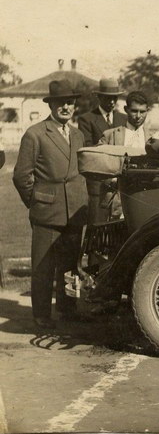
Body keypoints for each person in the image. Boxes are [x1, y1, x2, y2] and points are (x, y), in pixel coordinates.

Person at [13, 81, 87, 328]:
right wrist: (36, 201)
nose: (66, 107)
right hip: (47, 211)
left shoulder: (78, 135)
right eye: (60, 103)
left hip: (74, 211)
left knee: (70, 265)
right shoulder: (35, 133)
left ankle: (68, 309)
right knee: (44, 265)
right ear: (51, 105)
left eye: (70, 103)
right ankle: (42, 314)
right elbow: (21, 176)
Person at [78, 78, 127, 225]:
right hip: (98, 184)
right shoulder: (87, 119)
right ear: (99, 97)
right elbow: (89, 149)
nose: (112, 102)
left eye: (114, 98)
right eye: (107, 98)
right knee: (97, 226)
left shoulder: (123, 118)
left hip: (121, 184)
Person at [97, 91, 152, 220]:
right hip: (117, 201)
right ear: (126, 109)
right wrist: (113, 180)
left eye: (142, 112)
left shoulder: (154, 138)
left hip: (146, 199)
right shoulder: (110, 135)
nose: (138, 116)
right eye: (134, 111)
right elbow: (97, 166)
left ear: (147, 111)